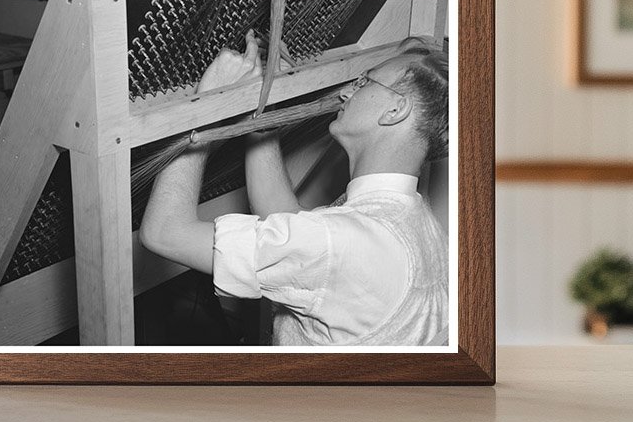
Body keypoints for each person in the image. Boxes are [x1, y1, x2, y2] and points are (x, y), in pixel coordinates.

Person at [139, 31, 449, 346]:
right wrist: (265, 108)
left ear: (396, 110)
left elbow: (164, 232)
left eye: (365, 82)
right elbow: (286, 220)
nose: (345, 93)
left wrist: (205, 104)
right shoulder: (418, 224)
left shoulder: (344, 243)